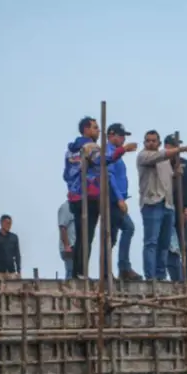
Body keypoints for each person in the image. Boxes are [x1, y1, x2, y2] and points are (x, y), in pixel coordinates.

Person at [63, 116, 136, 278]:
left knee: (83, 235)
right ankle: (81, 272)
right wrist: (123, 150)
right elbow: (103, 160)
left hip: (75, 196)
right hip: (89, 196)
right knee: (87, 236)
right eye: (95, 128)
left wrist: (74, 186)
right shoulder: (89, 146)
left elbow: (66, 174)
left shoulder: (71, 150)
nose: (98, 131)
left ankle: (78, 272)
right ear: (86, 130)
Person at [136, 130, 187, 280]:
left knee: (164, 244)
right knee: (151, 242)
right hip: (152, 203)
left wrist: (176, 174)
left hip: (167, 205)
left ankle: (160, 275)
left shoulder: (165, 162)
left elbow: (169, 181)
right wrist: (181, 149)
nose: (150, 143)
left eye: (154, 141)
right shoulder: (144, 156)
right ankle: (151, 275)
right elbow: (160, 155)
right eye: (148, 140)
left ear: (159, 143)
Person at [104, 123, 142, 281]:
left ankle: (107, 271)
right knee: (128, 227)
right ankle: (124, 267)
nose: (123, 139)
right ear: (112, 135)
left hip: (116, 199)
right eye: (120, 135)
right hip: (112, 200)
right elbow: (109, 176)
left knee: (110, 237)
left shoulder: (115, 154)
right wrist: (119, 198)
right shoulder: (108, 152)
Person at [164, 133, 187, 281]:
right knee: (167, 246)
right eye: (173, 146)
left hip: (182, 209)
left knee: (184, 245)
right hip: (165, 208)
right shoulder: (161, 164)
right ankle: (175, 277)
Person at [0, 214, 21, 279]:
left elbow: (17, 255)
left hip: (11, 271)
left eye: (10, 223)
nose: (9, 225)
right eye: (7, 223)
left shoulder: (14, 238)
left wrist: (18, 271)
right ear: (1, 223)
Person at [57, 201, 75, 280]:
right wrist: (67, 245)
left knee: (76, 273)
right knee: (70, 271)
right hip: (69, 246)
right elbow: (62, 227)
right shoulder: (66, 207)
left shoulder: (78, 207)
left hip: (76, 246)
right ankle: (69, 289)